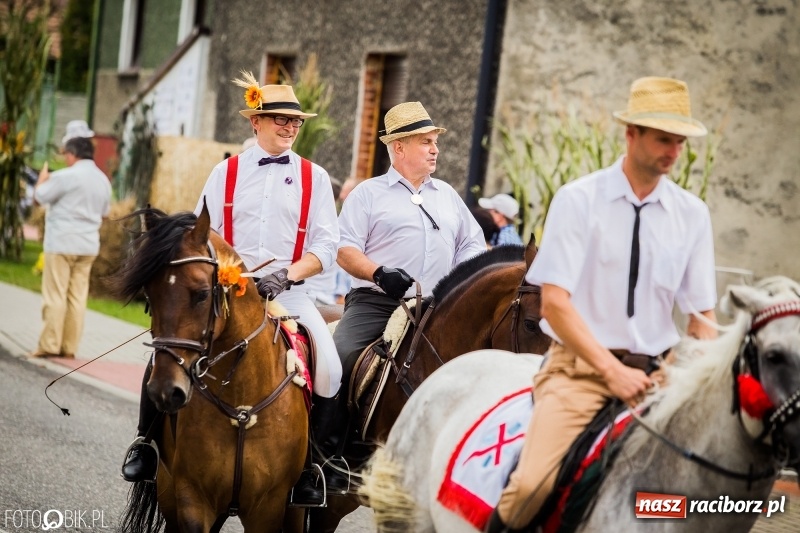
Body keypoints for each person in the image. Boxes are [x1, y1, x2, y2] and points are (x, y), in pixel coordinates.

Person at [487, 76, 719, 532]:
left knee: (698, 497)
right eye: (664, 139)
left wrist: (693, 375)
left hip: (661, 379)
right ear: (631, 134)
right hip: (579, 375)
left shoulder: (693, 215)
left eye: (680, 141)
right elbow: (554, 304)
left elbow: (702, 319)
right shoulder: (579, 200)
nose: (674, 151)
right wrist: (612, 371)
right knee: (529, 489)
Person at [122, 76, 343, 506]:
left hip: (289, 293)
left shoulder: (315, 178)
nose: (290, 127)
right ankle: (146, 445)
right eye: (281, 119)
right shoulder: (225, 172)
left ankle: (315, 466)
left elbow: (326, 246)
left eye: (296, 121)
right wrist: (224, 274)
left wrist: (288, 275)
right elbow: (200, 235)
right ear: (256, 121)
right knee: (166, 352)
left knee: (330, 368)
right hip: (229, 293)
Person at [323, 101, 485, 494]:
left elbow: (472, 244)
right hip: (377, 304)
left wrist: (460, 280)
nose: (435, 149)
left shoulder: (447, 195)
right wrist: (378, 273)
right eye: (426, 142)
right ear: (399, 148)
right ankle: (326, 459)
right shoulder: (368, 194)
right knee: (338, 359)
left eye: (435, 142)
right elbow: (344, 248)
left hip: (437, 308)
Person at [32, 135, 111, 359]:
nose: (65, 158)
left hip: (61, 243)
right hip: (88, 246)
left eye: (66, 153)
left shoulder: (65, 176)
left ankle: (49, 345)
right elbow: (105, 214)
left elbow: (39, 197)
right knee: (77, 298)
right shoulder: (103, 181)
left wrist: (42, 180)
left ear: (73, 153)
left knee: (55, 294)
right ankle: (69, 347)